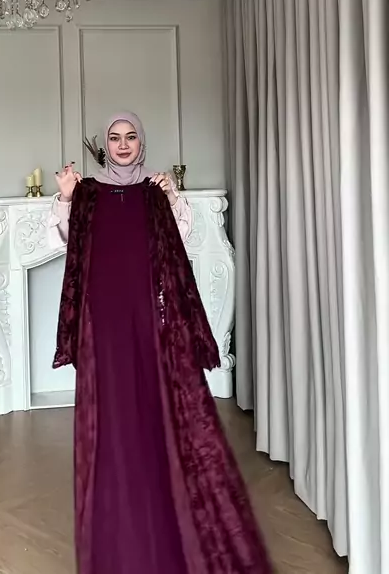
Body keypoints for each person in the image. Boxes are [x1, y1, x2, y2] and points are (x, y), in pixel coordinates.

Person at [48, 112, 272, 574]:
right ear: (105, 145)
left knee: (152, 401)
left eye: (130, 137)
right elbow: (67, 240)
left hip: (150, 316)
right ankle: (118, 502)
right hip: (103, 320)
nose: (122, 144)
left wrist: (171, 197)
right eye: (115, 138)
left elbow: (180, 239)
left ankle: (158, 491)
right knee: (112, 407)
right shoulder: (88, 193)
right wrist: (66, 197)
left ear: (141, 142)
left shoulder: (155, 191)